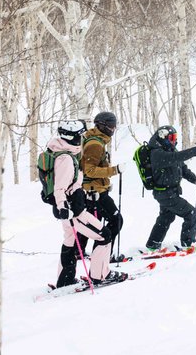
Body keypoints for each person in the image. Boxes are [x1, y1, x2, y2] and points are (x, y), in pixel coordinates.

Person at [46, 120, 118, 287]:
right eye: (80, 135)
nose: (82, 138)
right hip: (73, 210)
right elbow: (60, 188)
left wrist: (84, 194)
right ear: (73, 137)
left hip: (68, 206)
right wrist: (64, 206)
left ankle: (65, 280)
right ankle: (100, 275)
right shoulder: (66, 159)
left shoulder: (58, 150)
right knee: (104, 235)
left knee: (70, 240)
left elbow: (71, 184)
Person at [79, 110, 126, 283]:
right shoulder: (95, 144)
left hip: (98, 191)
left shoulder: (98, 141)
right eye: (111, 126)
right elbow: (89, 170)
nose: (113, 129)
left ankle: (103, 259)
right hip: (94, 193)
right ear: (102, 125)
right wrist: (114, 170)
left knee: (107, 225)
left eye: (115, 126)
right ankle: (101, 265)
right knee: (113, 224)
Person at [143, 124, 196, 250]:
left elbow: (182, 167)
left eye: (175, 137)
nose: (174, 140)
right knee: (191, 213)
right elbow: (176, 158)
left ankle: (153, 244)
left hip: (169, 193)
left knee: (166, 217)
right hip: (166, 194)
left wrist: (195, 179)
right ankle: (189, 243)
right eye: (171, 137)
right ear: (162, 137)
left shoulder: (170, 151)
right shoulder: (157, 153)